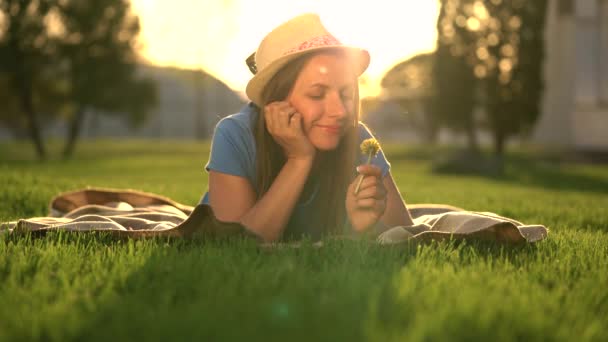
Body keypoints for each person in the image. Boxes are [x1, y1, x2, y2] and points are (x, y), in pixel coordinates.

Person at [200, 13, 414, 242]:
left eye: (346, 94)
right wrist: (299, 159)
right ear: (276, 101)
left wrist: (362, 229)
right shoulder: (236, 135)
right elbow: (236, 246)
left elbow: (406, 236)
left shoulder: (358, 139)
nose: (340, 111)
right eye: (317, 94)